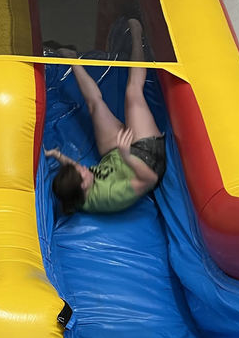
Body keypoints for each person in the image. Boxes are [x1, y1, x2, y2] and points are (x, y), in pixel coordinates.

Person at [45, 18, 166, 214]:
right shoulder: (110, 195)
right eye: (83, 173)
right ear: (84, 187)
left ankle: (71, 59)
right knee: (132, 93)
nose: (83, 168)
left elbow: (75, 173)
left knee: (95, 105)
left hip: (115, 153)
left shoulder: (77, 193)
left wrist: (57, 155)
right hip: (145, 158)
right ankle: (136, 34)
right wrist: (127, 155)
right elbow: (149, 179)